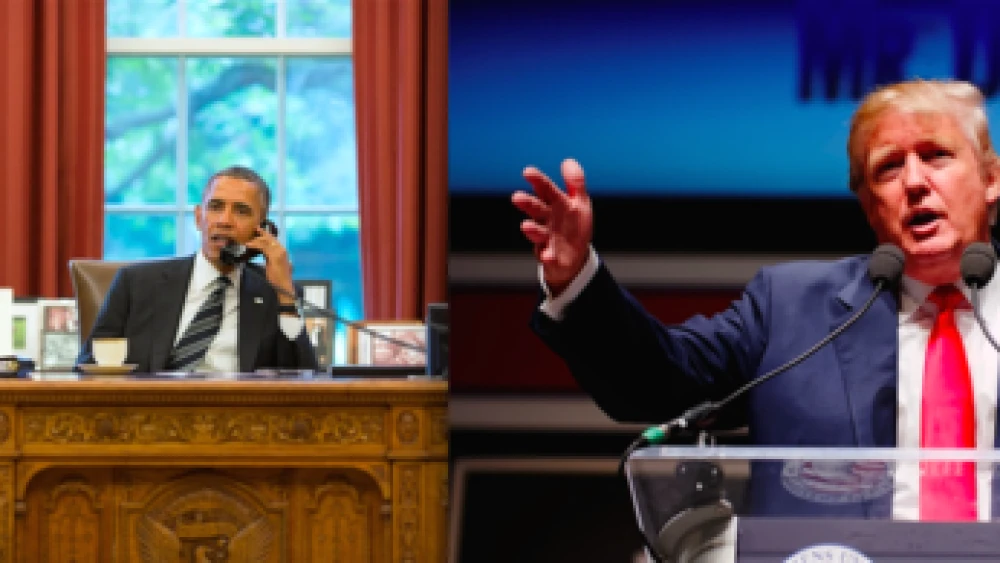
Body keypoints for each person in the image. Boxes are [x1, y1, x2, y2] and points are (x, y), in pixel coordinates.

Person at [512, 79, 1000, 521]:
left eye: (936, 156)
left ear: (991, 179)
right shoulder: (791, 309)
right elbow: (653, 381)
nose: (914, 183)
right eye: (889, 168)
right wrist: (575, 276)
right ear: (870, 205)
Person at [77, 165, 319, 373]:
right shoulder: (137, 283)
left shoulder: (272, 293)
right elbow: (88, 366)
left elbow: (304, 378)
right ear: (198, 217)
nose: (224, 220)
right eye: (215, 207)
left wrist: (285, 295)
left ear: (262, 228)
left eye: (241, 211)